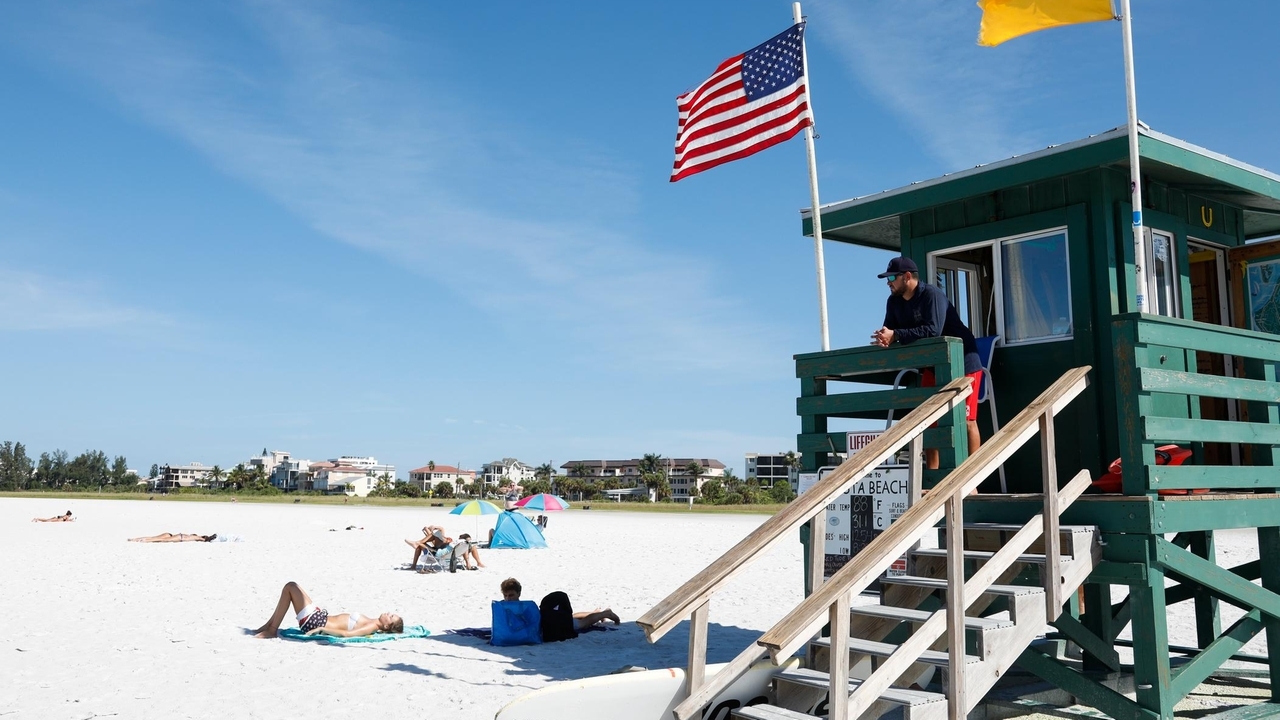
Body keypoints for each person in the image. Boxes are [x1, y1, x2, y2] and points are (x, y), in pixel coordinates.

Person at [871, 256, 984, 472]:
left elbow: (933, 330)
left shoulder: (931, 294)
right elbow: (891, 330)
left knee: (967, 421)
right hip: (933, 366)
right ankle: (933, 479)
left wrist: (896, 335)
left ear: (907, 276)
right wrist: (885, 337)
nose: (888, 283)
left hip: (964, 362)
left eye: (892, 278)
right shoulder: (893, 301)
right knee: (929, 421)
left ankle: (972, 479)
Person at [253, 581, 403, 639]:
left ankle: (272, 630)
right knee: (293, 586)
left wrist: (321, 629)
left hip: (315, 622)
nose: (389, 613)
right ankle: (269, 626)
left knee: (290, 587)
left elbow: (346, 634)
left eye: (391, 617)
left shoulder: (371, 626)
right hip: (318, 616)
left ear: (386, 626)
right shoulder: (372, 621)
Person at [499, 578, 619, 630]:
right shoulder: (503, 606)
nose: (508, 599)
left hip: (551, 624)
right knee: (570, 617)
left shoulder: (524, 606)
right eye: (506, 596)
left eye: (511, 595)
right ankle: (595, 613)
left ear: (519, 594)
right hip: (547, 619)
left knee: (581, 624)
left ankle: (606, 613)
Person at [129, 533, 217, 543]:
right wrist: (210, 538)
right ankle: (144, 540)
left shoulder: (193, 536)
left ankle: (134, 539)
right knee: (160, 540)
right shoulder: (197, 538)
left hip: (173, 534)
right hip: (179, 537)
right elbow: (204, 539)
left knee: (154, 537)